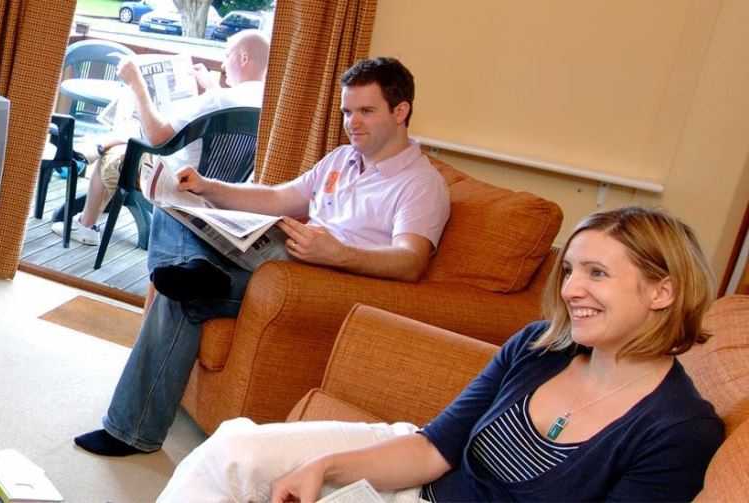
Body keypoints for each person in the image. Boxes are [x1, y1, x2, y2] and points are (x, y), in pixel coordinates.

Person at [158, 206, 725, 502]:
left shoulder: (677, 428)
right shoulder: (538, 345)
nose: (572, 289)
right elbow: (435, 445)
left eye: (597, 273)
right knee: (232, 448)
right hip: (422, 471)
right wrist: (325, 467)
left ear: (663, 290)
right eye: (571, 269)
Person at [75, 56, 451, 457]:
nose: (352, 122)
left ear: (401, 111)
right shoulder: (342, 159)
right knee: (173, 209)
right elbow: (277, 198)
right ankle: (193, 273)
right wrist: (207, 187)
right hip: (280, 260)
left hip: (327, 281)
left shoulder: (421, 184)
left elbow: (411, 260)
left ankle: (129, 429)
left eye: (365, 111)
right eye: (346, 111)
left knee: (183, 287)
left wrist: (339, 254)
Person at [52, 29, 270, 246]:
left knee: (116, 152)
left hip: (178, 187)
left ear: (243, 58)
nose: (222, 65)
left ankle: (85, 225)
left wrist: (137, 82)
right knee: (133, 132)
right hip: (223, 195)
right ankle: (96, 148)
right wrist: (211, 86)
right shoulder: (267, 106)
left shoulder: (217, 99)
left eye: (227, 55)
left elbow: (158, 138)